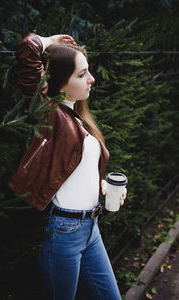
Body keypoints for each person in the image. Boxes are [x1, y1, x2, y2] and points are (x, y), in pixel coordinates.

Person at [8, 33, 127, 300]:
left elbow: (73, 170)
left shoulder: (77, 117)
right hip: (65, 232)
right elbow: (28, 51)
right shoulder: (53, 115)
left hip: (91, 229)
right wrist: (49, 41)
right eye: (82, 74)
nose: (92, 79)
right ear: (61, 82)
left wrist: (104, 186)